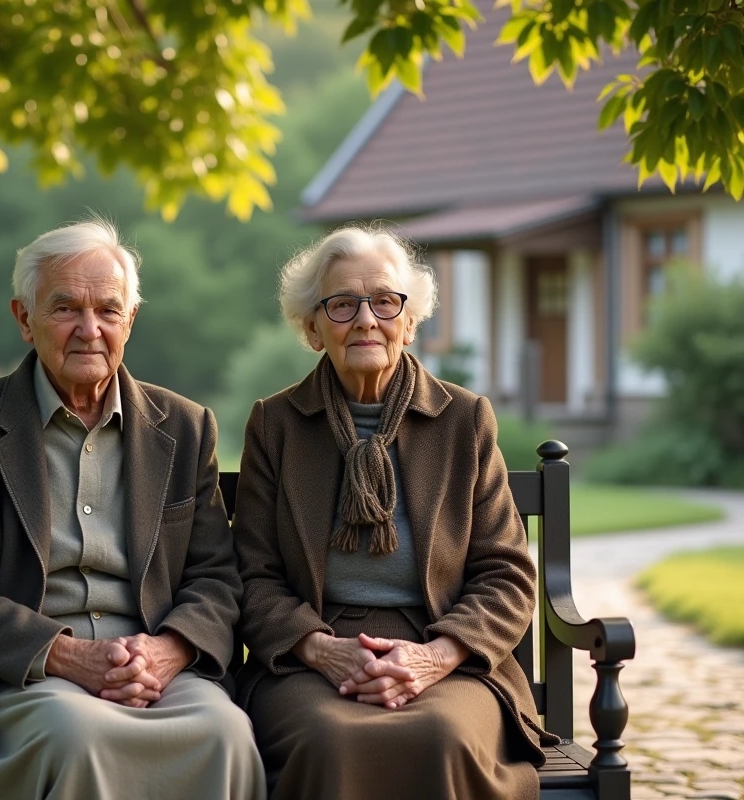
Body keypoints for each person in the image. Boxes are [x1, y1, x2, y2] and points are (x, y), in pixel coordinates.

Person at [0, 219, 265, 800]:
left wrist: (168, 652)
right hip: (28, 674)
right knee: (77, 734)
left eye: (108, 310)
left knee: (226, 732)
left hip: (157, 669)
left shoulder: (186, 427)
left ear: (131, 321)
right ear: (25, 319)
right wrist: (67, 655)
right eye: (66, 308)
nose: (89, 330)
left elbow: (216, 577)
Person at [232, 224, 558, 799]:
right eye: (342, 304)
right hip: (311, 657)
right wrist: (321, 650)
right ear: (313, 329)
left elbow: (506, 575)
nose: (365, 319)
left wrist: (435, 657)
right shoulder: (275, 425)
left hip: (447, 654)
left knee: (441, 734)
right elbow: (252, 574)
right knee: (328, 739)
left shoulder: (465, 421)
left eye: (385, 301)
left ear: (409, 323)